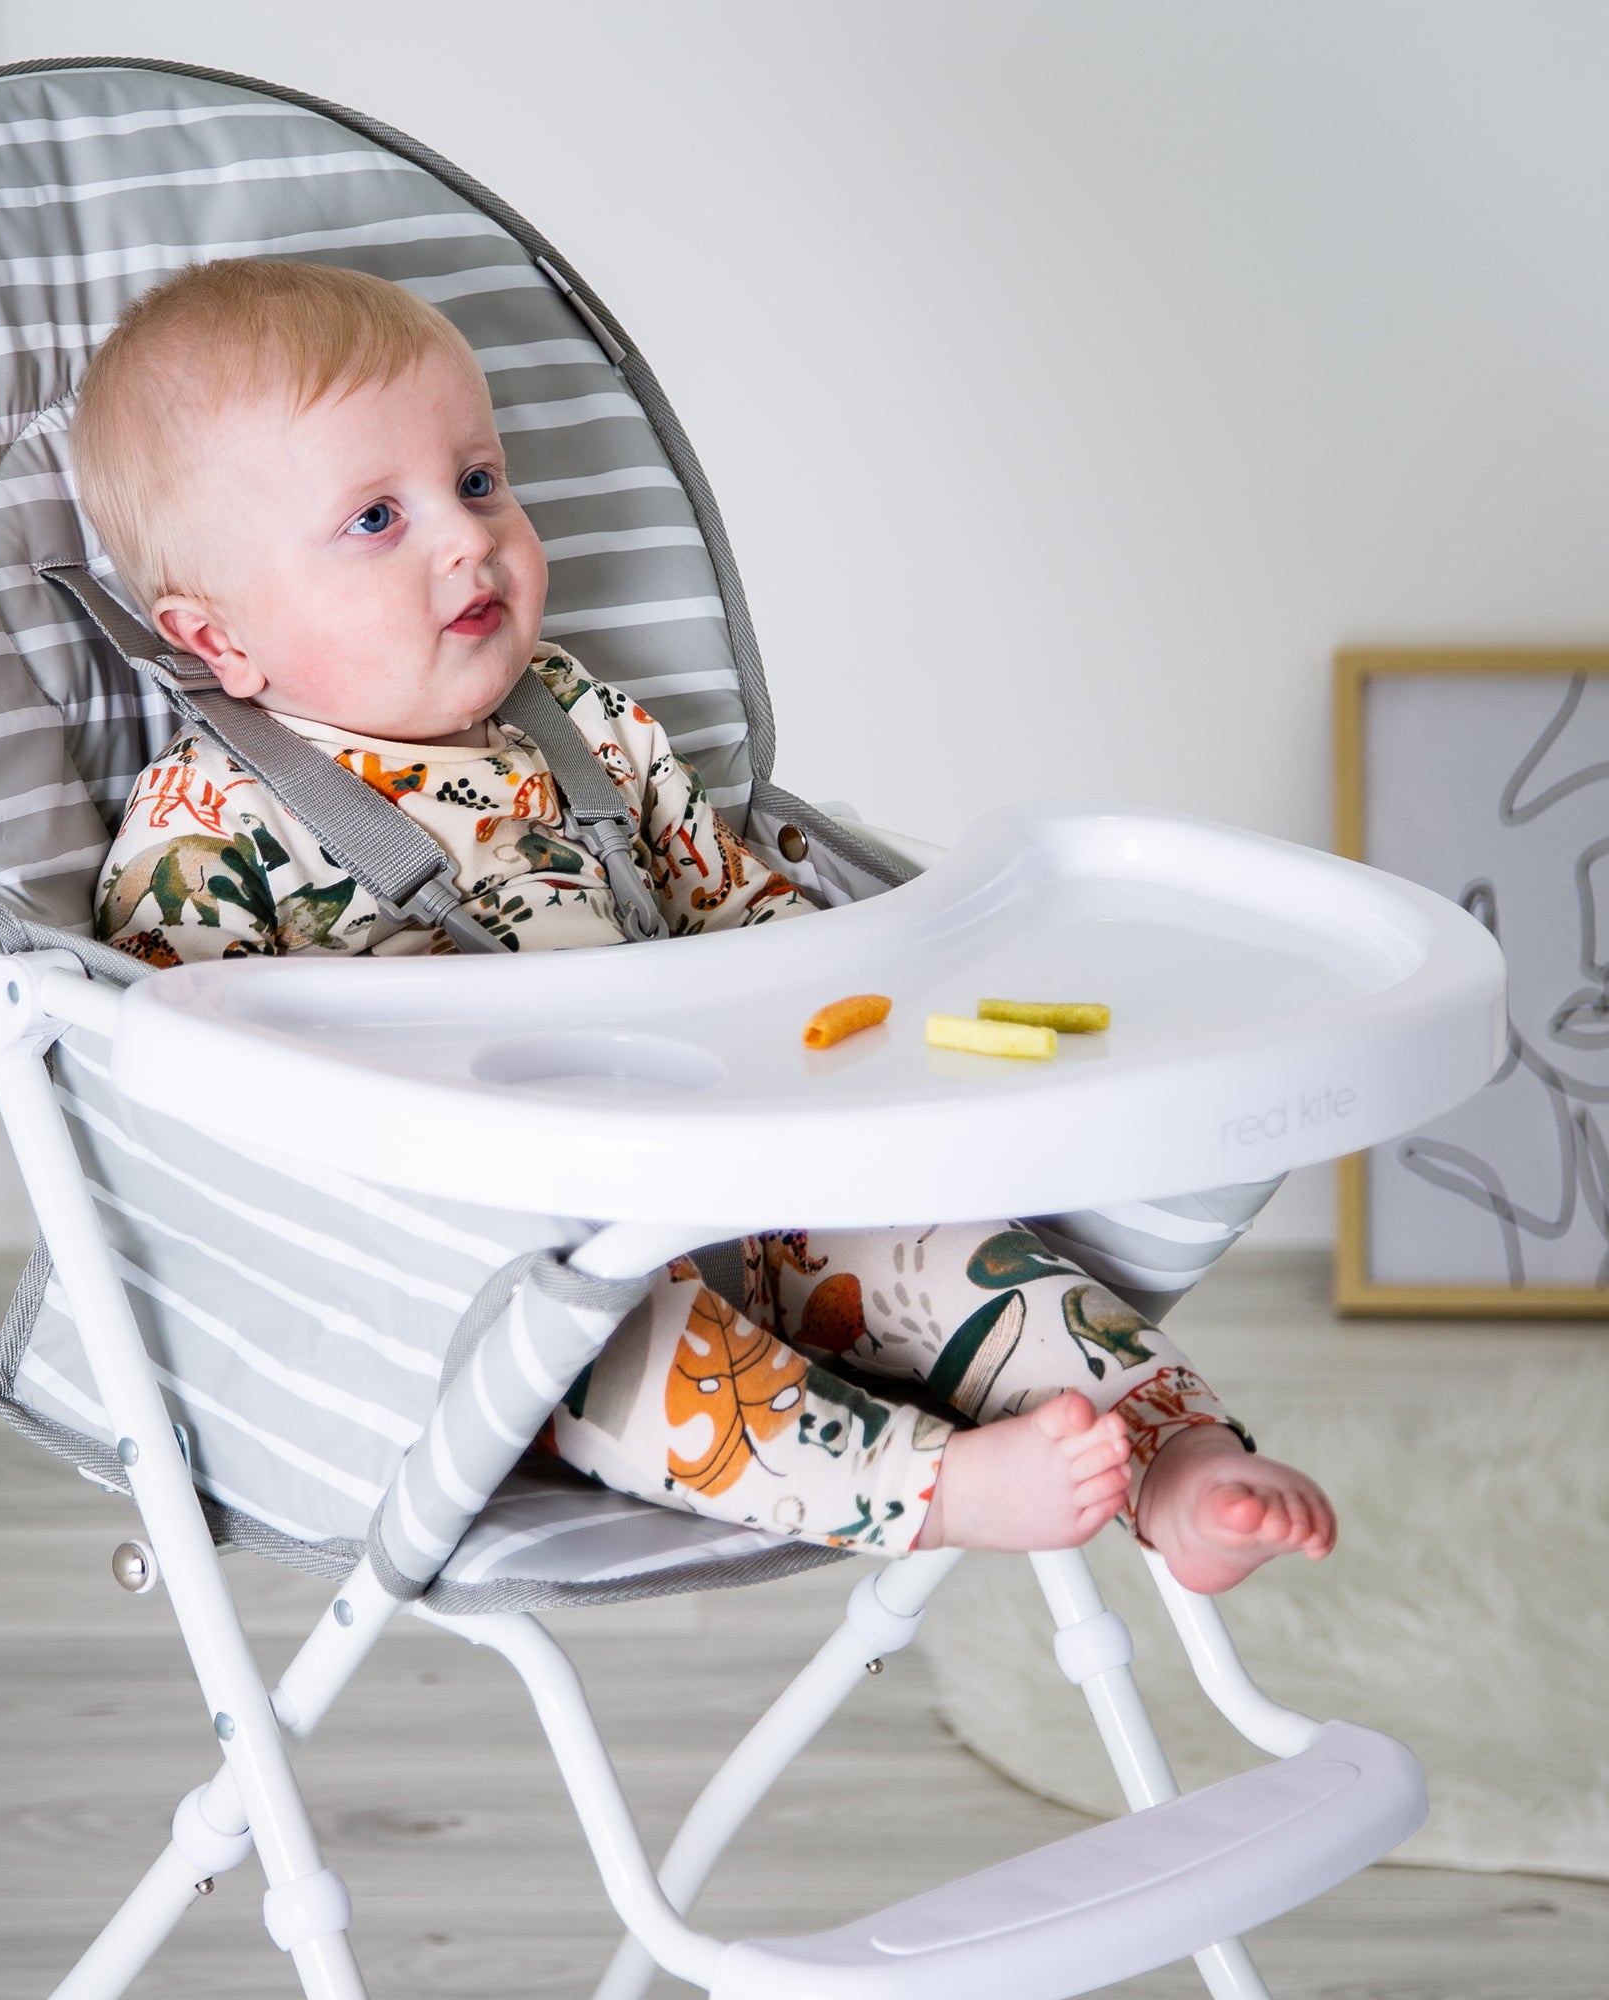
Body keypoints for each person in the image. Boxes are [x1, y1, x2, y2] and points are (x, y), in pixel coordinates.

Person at [74, 258, 1334, 1592]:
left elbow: (742, 914)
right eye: (377, 518)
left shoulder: (580, 722)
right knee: (620, 1363)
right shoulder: (207, 830)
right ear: (220, 640)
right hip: (501, 1274)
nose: (466, 539)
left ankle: (1177, 1454)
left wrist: (861, 1036)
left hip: (745, 1181)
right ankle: (934, 1486)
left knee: (953, 1251)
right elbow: (187, 1108)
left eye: (480, 481)